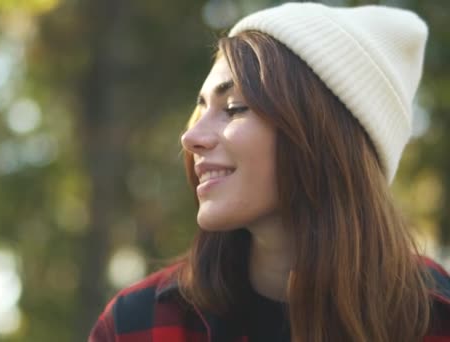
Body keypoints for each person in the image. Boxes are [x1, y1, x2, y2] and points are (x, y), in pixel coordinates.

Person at [89, 2, 450, 342]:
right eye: (201, 110)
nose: (191, 137)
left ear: (325, 137)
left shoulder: (437, 319)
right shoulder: (136, 325)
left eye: (234, 108)